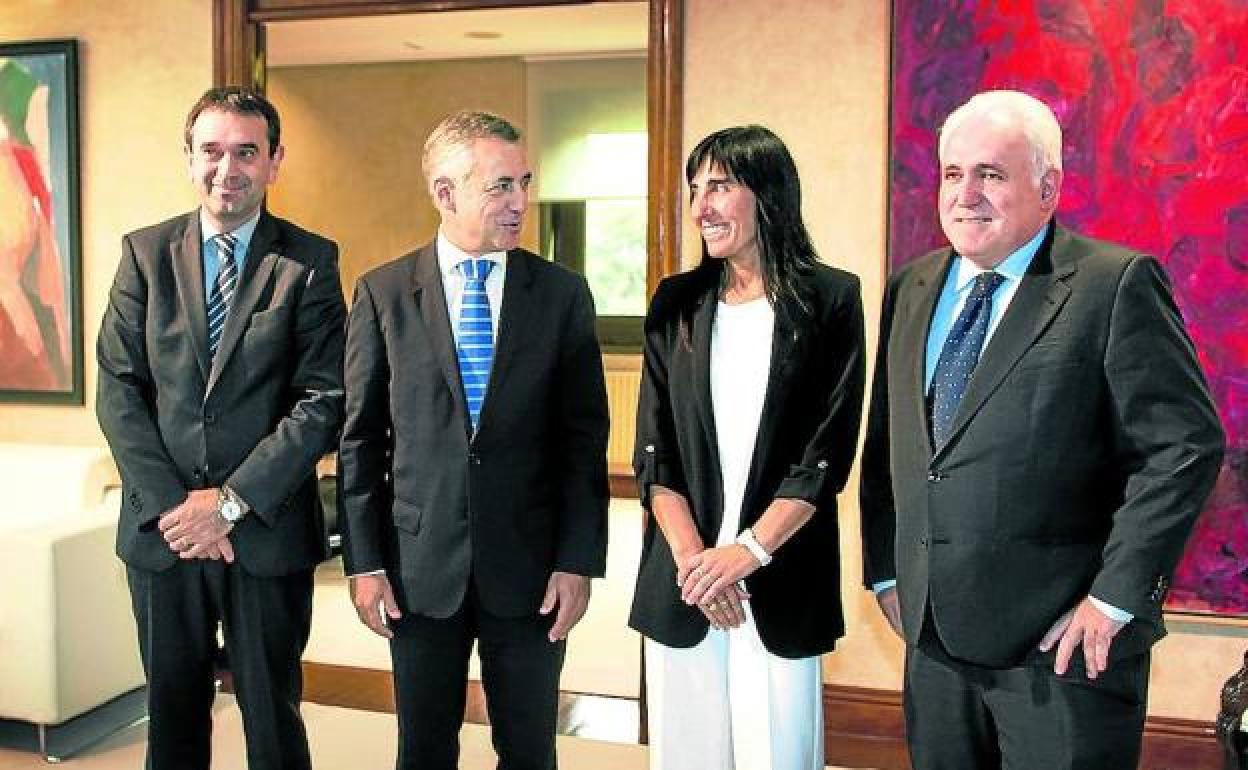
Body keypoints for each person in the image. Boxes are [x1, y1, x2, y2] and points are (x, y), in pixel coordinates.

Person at [860, 90, 1225, 770]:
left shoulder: (1113, 284)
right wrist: (885, 573)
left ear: (1048, 186)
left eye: (990, 174)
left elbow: (1185, 448)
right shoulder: (910, 287)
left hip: (1061, 654)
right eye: (951, 174)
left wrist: (1115, 600)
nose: (966, 194)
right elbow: (890, 446)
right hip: (933, 645)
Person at [337, 110, 610, 770]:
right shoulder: (384, 293)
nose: (519, 201)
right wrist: (365, 562)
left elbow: (584, 441)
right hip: (418, 568)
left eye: (524, 182)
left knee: (527, 749)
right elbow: (362, 441)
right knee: (424, 749)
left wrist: (577, 561)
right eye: (499, 186)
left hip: (532, 566)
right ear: (445, 191)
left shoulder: (562, 294)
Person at [96, 87, 346, 770]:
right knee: (172, 720)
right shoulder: (144, 254)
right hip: (163, 533)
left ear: (274, 161)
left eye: (246, 152)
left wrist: (230, 504)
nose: (226, 169)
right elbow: (118, 390)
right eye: (211, 151)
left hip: (263, 532)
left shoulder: (309, 261)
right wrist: (182, 509)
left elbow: (322, 399)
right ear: (189, 157)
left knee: (273, 716)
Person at [629, 125, 866, 769]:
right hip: (685, 578)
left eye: (720, 186)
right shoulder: (675, 302)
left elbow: (826, 455)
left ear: (768, 194)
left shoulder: (830, 299)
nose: (701, 205)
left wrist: (747, 552)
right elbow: (654, 452)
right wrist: (696, 563)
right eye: (695, 188)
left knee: (779, 756)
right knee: (689, 756)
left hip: (782, 572)